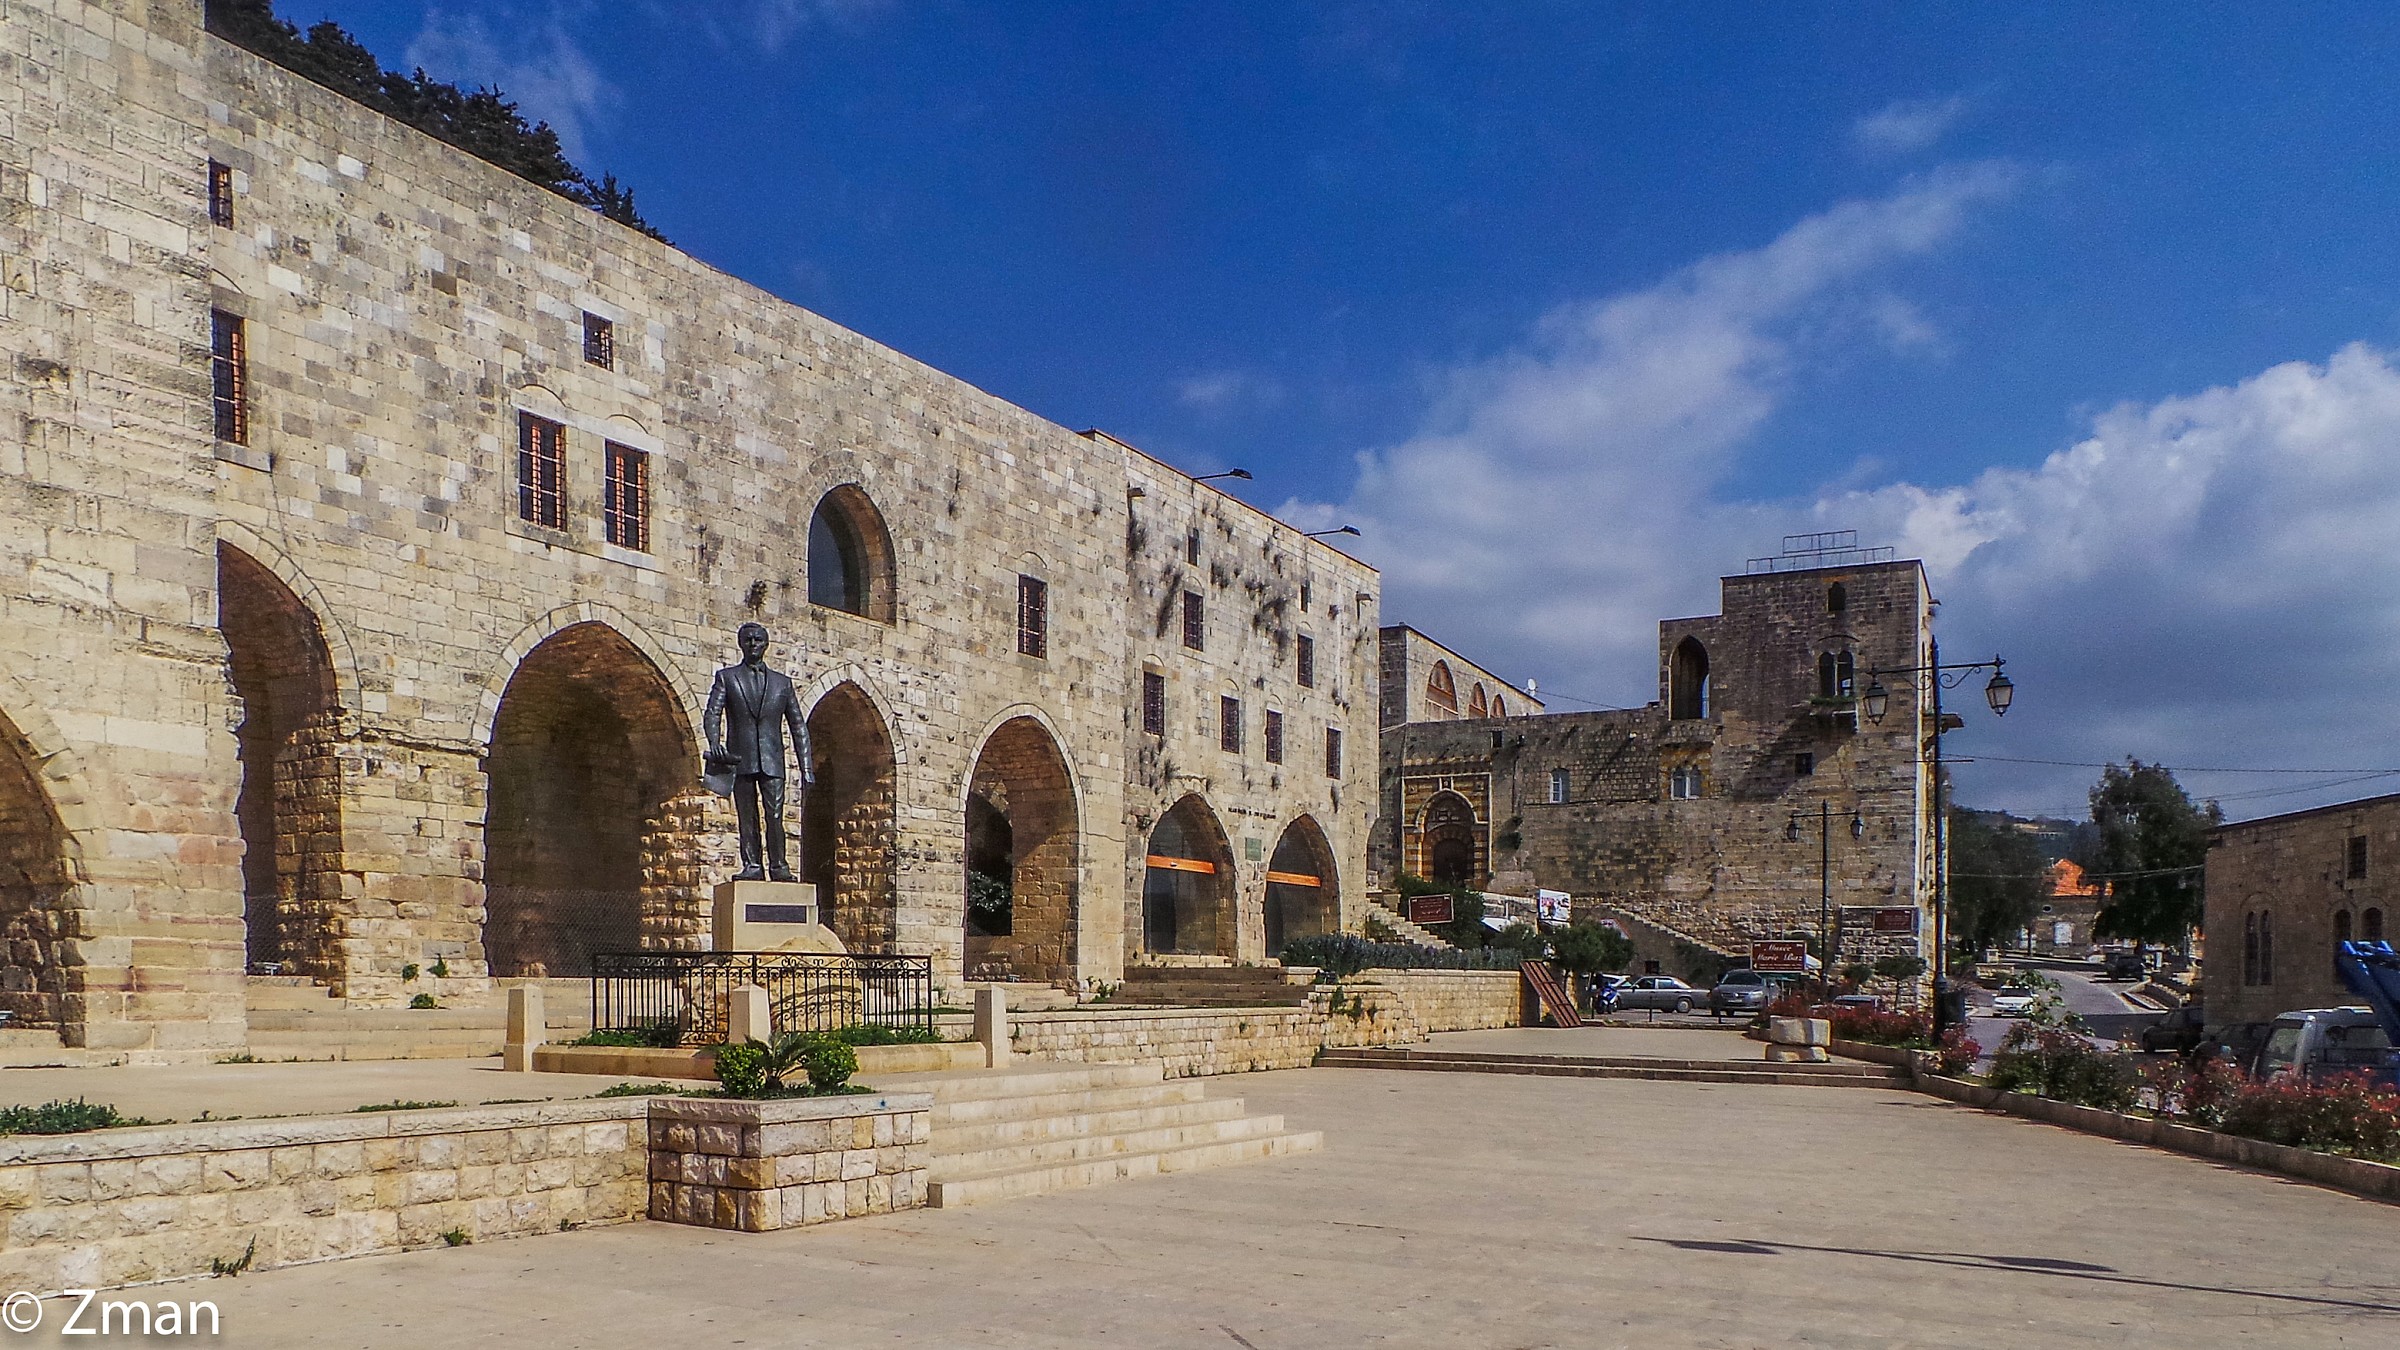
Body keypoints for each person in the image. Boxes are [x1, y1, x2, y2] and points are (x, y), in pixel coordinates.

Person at [703, 622, 813, 882]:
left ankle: (779, 866)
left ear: (766, 644)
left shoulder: (782, 684)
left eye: (758, 640)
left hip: (772, 760)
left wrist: (806, 768)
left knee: (775, 815)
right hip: (741, 758)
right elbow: (712, 713)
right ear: (741, 643)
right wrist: (715, 742)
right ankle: (752, 864)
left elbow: (798, 726)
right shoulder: (727, 677)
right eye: (749, 639)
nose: (753, 644)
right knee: (747, 815)